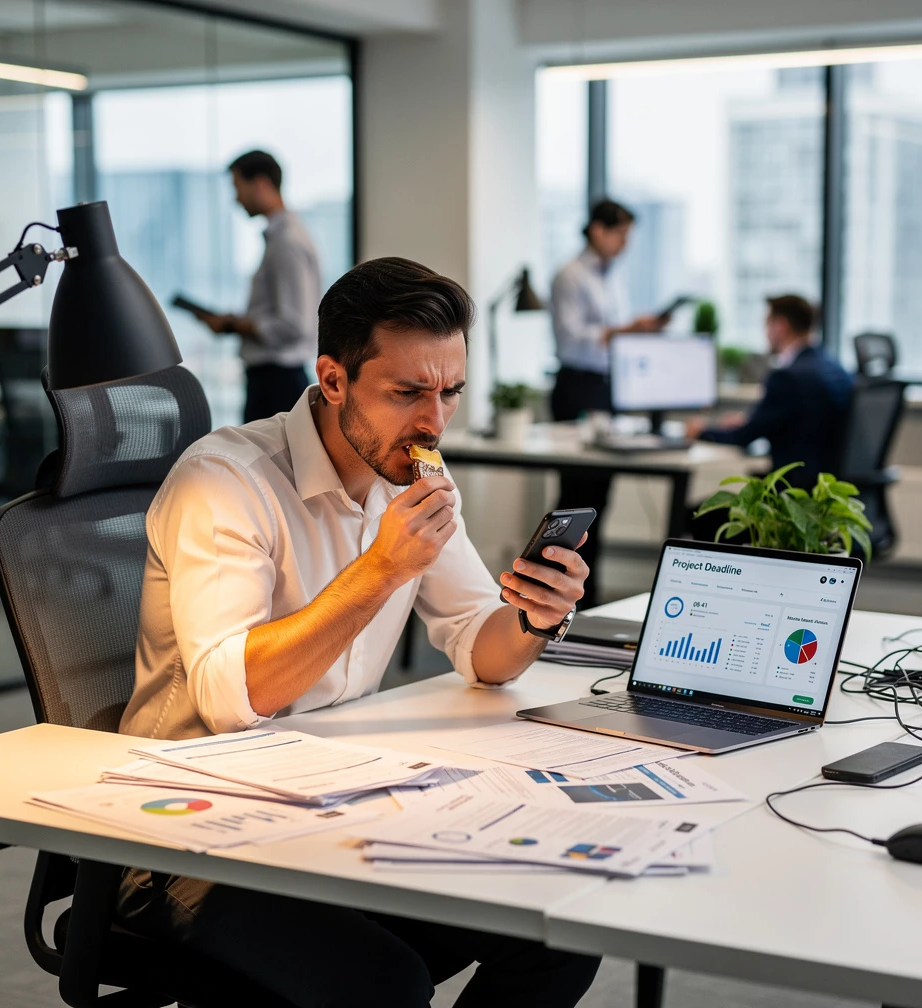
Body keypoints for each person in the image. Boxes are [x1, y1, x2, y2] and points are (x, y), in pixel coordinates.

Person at [118, 256, 601, 1007]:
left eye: (449, 393)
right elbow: (231, 701)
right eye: (407, 393)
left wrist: (536, 615)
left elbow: (483, 647)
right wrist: (380, 569)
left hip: (340, 799)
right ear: (334, 379)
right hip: (194, 831)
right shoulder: (225, 482)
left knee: (561, 927)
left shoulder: (410, 481)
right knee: (387, 984)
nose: (434, 423)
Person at [549, 198, 668, 609]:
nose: (625, 243)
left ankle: (587, 596)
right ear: (597, 230)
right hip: (577, 387)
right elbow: (572, 339)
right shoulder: (570, 275)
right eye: (620, 233)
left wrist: (638, 331)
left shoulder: (611, 277)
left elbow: (610, 334)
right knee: (576, 498)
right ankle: (554, 598)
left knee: (600, 501)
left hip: (605, 387)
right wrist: (623, 331)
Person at [195, 149, 322, 422]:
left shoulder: (287, 242)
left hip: (277, 382)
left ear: (261, 184)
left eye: (237, 187)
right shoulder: (281, 238)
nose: (236, 198)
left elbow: (292, 325)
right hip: (272, 380)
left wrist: (234, 324)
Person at [685, 294, 853, 497]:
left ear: (780, 326)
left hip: (791, 498)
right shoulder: (833, 368)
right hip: (824, 495)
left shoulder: (787, 377)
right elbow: (799, 422)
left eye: (767, 324)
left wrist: (702, 431)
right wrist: (750, 421)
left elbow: (743, 437)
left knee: (697, 516)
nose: (765, 333)